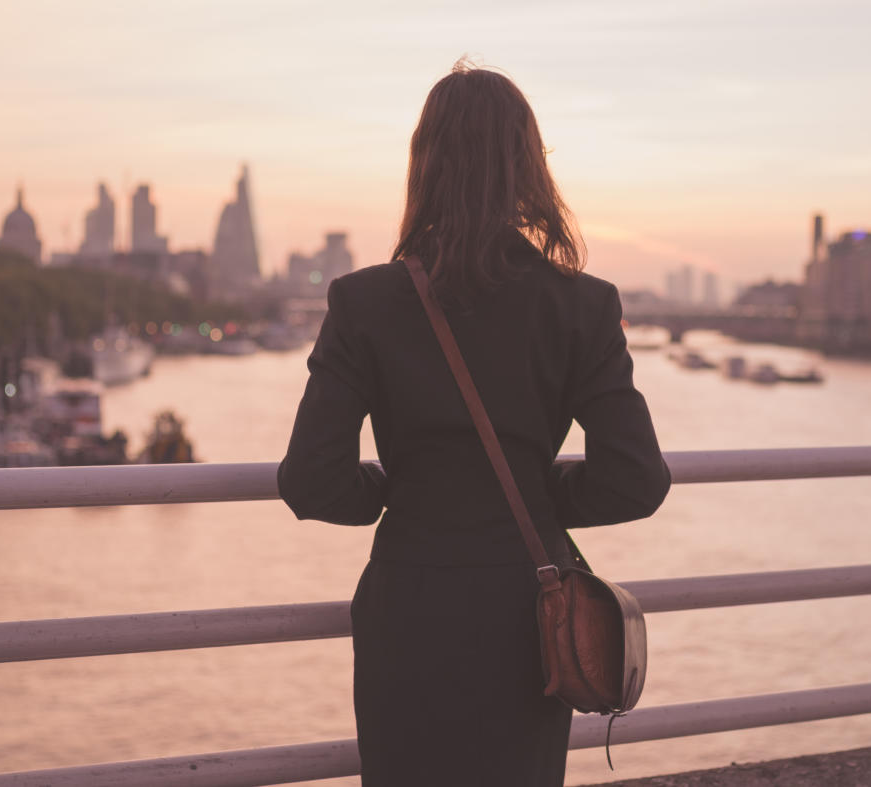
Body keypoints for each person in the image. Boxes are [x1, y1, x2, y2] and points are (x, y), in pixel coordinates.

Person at [278, 61, 671, 787]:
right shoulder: (582, 306)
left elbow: (309, 480)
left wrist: (394, 492)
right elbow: (636, 480)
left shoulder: (363, 302)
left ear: (423, 165)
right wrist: (537, 491)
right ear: (526, 167)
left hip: (411, 601)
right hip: (529, 611)